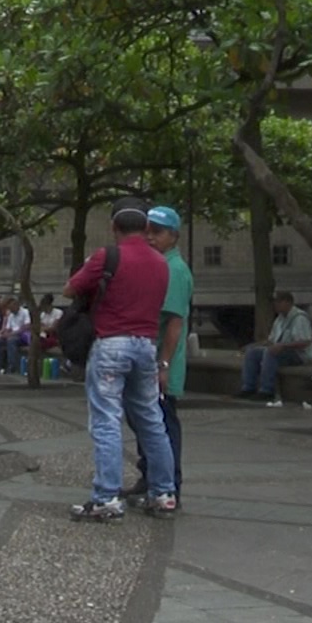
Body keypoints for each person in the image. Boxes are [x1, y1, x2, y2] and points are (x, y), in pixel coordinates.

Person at [63, 197, 176, 522]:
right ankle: (164, 493)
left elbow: (70, 289)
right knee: (152, 421)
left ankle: (107, 497)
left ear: (114, 227)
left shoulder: (107, 256)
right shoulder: (160, 263)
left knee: (106, 419)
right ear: (146, 228)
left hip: (111, 345)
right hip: (145, 346)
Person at [131, 205, 192, 513]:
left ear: (173, 236)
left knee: (164, 423)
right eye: (148, 231)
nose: (150, 237)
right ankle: (149, 476)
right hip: (149, 358)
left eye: (158, 232)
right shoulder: (157, 265)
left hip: (161, 362)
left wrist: (163, 364)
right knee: (145, 421)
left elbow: (174, 322)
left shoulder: (174, 270)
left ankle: (170, 486)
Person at [238, 291, 312, 405]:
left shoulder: (299, 318)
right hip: (282, 351)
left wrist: (283, 345)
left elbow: (305, 341)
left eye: (278, 302)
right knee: (252, 353)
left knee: (270, 353)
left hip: (299, 355)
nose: (275, 305)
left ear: (287, 302)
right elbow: (272, 340)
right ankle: (248, 387)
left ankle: (267, 390)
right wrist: (254, 345)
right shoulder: (279, 319)